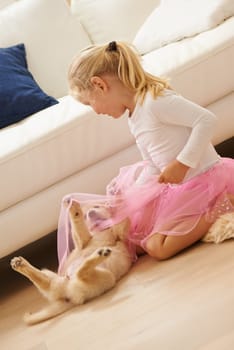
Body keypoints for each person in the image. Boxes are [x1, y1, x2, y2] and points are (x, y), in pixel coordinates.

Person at [57, 40, 234, 273]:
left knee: (157, 247)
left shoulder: (155, 102)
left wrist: (182, 163)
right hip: (178, 186)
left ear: (99, 85)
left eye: (90, 103)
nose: (96, 111)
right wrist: (131, 196)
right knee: (135, 238)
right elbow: (152, 163)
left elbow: (206, 120)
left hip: (204, 179)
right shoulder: (135, 115)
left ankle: (226, 202)